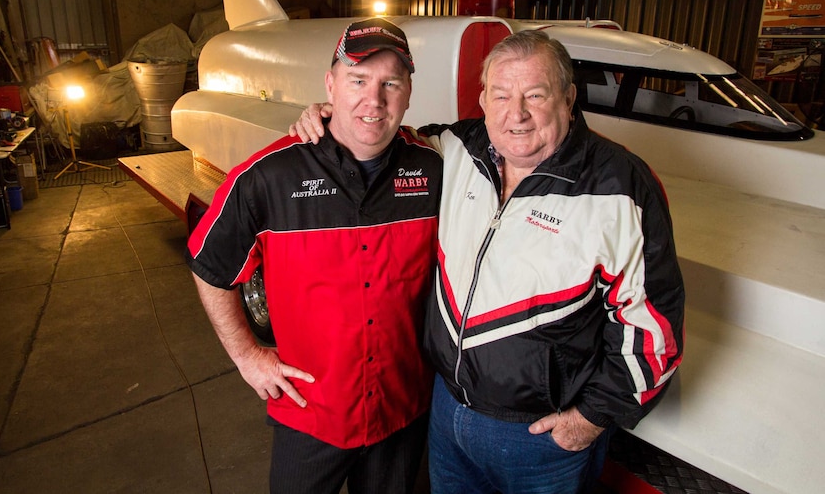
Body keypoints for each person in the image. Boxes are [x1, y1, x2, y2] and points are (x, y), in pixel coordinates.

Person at [292, 29, 685, 494]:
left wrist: (591, 418)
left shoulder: (620, 186)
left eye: (535, 95)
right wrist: (329, 116)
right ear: (482, 98)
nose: (515, 114)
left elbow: (653, 328)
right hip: (447, 413)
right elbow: (378, 135)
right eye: (500, 94)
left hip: (542, 440)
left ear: (569, 97)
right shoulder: (455, 149)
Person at [186, 17, 443, 494]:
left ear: (408, 93)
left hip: (401, 413)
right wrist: (247, 357)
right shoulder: (269, 176)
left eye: (391, 83)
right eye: (357, 80)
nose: (374, 99)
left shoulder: (433, 170)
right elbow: (209, 264)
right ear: (330, 85)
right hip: (310, 414)